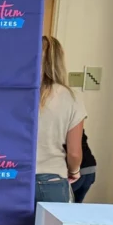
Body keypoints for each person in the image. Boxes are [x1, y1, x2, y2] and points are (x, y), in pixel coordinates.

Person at [36, 36, 86, 204]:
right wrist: (75, 170)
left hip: (16, 179)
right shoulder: (70, 98)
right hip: (52, 182)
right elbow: (74, 152)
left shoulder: (19, 94)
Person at [72, 130, 97, 203]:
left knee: (63, 207)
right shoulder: (75, 122)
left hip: (77, 170)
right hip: (90, 168)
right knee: (76, 206)